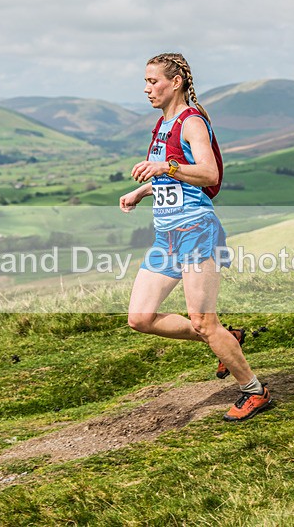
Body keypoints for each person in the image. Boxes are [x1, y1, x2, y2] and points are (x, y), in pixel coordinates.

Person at [119, 52, 272, 422]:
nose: (146, 88)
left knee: (203, 320)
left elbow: (208, 173)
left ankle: (255, 390)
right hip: (166, 236)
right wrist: (144, 191)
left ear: (176, 82)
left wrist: (164, 166)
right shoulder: (162, 124)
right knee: (140, 317)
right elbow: (173, 179)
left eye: (152, 81)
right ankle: (227, 339)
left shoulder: (192, 122)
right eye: (145, 82)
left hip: (197, 231)